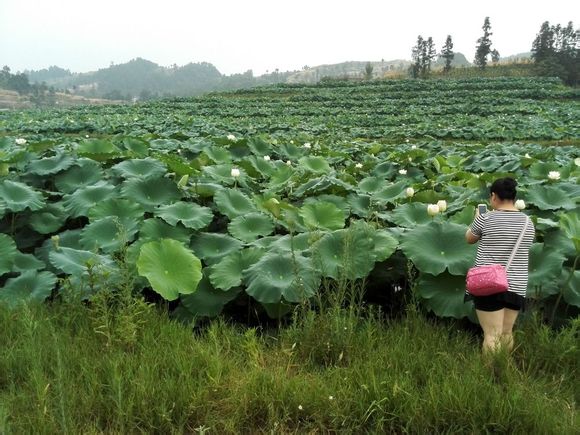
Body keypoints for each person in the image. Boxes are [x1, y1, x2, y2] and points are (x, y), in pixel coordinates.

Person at [465, 177, 535, 353]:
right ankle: (504, 370)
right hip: (516, 284)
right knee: (506, 332)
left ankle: (491, 376)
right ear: (513, 197)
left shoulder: (485, 218)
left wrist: (477, 218)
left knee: (491, 335)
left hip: (488, 283)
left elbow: (469, 238)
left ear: (494, 196)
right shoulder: (528, 223)